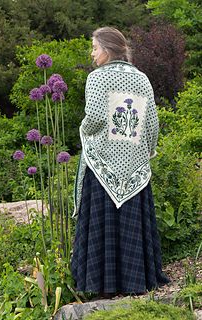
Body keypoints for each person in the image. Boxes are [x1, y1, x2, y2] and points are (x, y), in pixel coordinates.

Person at [71, 26, 170, 297]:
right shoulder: (142, 79)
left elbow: (93, 119)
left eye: (94, 47)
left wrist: (85, 135)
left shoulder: (97, 78)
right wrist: (146, 153)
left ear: (107, 49)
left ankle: (102, 285)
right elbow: (151, 123)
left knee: (102, 223)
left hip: (102, 164)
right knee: (131, 223)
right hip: (135, 165)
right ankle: (137, 281)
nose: (92, 54)